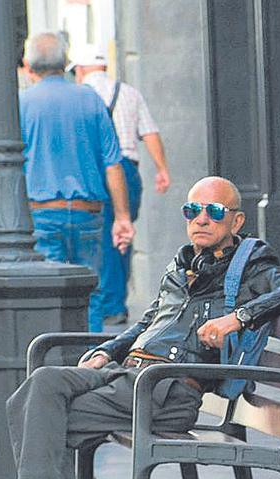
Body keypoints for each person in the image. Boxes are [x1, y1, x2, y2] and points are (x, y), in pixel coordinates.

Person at [0, 176, 280, 479]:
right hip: (130, 374)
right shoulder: (183, 265)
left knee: (41, 416)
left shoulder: (254, 265)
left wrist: (237, 318)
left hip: (167, 390)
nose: (201, 219)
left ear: (236, 221)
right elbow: (152, 322)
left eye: (214, 212)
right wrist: (108, 350)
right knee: (40, 386)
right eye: (192, 210)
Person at [19, 32, 134, 333]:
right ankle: (90, 363)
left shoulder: (22, 103)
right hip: (88, 211)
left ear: (29, 64)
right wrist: (122, 217)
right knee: (91, 292)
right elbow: (113, 163)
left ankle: (54, 364)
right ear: (66, 62)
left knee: (48, 294)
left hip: (43, 211)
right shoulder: (89, 99)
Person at [71, 45, 172, 329]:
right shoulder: (129, 92)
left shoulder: (81, 96)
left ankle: (103, 304)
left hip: (96, 170)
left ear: (80, 69)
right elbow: (150, 132)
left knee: (99, 237)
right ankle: (117, 303)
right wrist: (162, 169)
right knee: (122, 237)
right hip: (128, 169)